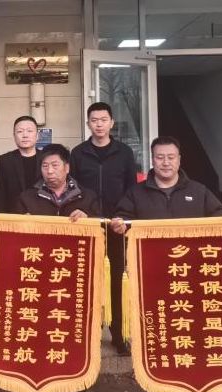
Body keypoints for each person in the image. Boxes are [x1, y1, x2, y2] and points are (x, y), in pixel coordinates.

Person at [110, 136, 222, 392]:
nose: (165, 162)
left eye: (171, 157)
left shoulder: (198, 192)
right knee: (156, 335)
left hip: (192, 281)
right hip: (153, 280)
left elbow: (219, 220)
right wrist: (118, 225)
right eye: (160, 157)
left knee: (190, 335)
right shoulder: (137, 193)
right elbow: (121, 218)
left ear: (179, 160)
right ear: (152, 160)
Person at [15, 143, 99, 392]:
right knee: (41, 339)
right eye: (45, 166)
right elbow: (12, 237)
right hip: (39, 280)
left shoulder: (87, 197)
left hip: (76, 281)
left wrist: (89, 219)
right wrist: (22, 226)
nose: (49, 171)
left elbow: (105, 230)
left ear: (67, 168)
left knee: (76, 339)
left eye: (54, 165)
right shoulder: (27, 198)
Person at [70, 102, 137, 356]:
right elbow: (73, 189)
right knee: (88, 280)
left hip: (117, 226)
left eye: (103, 119)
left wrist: (126, 217)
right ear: (88, 123)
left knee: (118, 280)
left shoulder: (124, 153)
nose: (99, 124)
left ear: (111, 122)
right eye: (94, 120)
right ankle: (90, 333)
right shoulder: (78, 153)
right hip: (88, 226)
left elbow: (132, 189)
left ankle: (119, 334)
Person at [0, 115, 40, 213]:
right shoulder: (5, 160)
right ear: (14, 136)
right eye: (20, 131)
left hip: (43, 216)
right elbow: (0, 196)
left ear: (37, 135)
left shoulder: (46, 158)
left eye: (29, 131)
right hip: (14, 216)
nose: (25, 135)